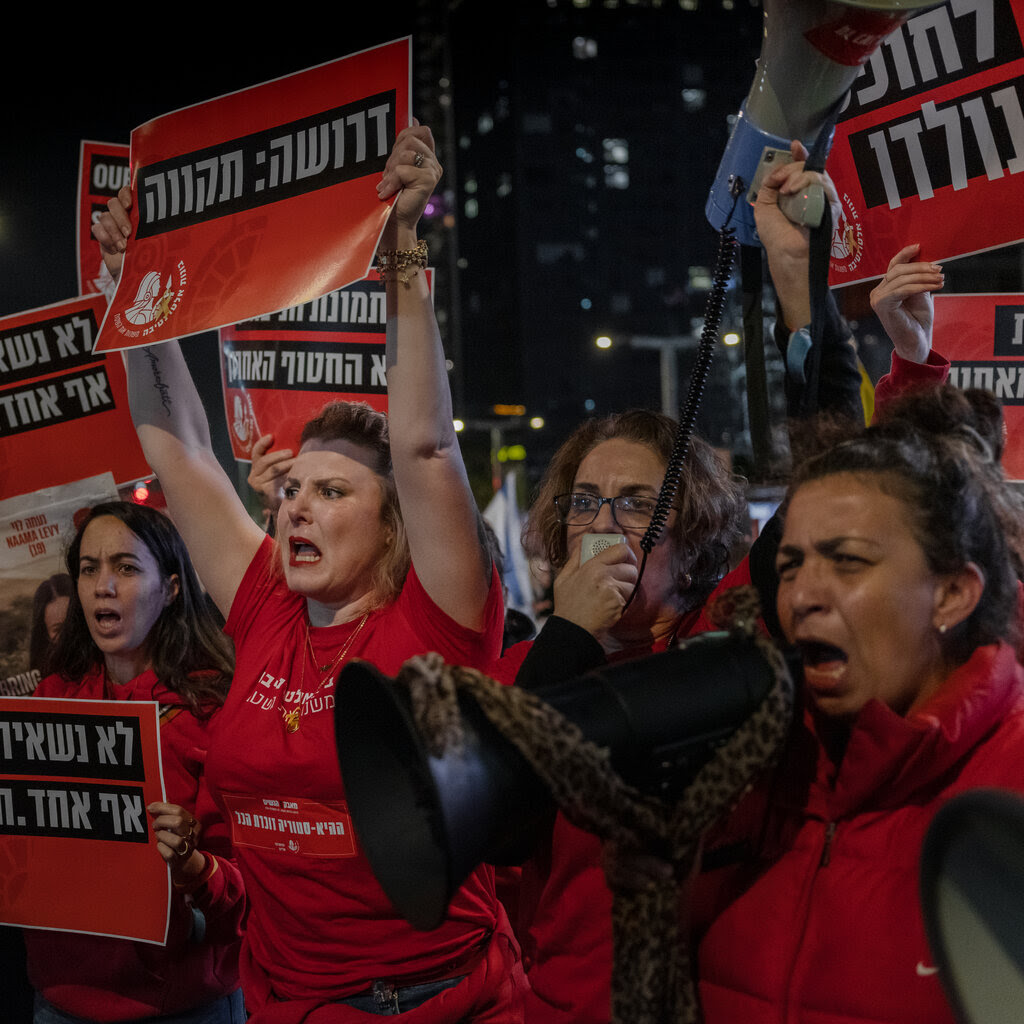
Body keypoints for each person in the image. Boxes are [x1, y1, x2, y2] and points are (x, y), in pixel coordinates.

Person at [94, 123, 524, 1021]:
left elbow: (422, 445)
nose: (293, 506)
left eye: (330, 491)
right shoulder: (264, 607)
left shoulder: (436, 618)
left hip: (443, 1001)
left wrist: (404, 245)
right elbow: (184, 457)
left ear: (394, 519)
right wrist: (138, 295)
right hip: (288, 1003)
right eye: (291, 489)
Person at [691, 386, 1024, 1024]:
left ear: (952, 594)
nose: (803, 596)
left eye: (847, 562)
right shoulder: (750, 766)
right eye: (790, 564)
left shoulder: (1010, 786)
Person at [25, 501, 245, 1024]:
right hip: (62, 1000)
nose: (104, 585)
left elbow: (256, 884)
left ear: (170, 589)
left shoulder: (215, 708)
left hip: (185, 1004)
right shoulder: (50, 699)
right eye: (88, 569)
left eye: (125, 567)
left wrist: (197, 869)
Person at [28, 573, 73, 676]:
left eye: (74, 622)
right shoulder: (45, 684)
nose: (69, 635)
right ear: (46, 635)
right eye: (58, 629)